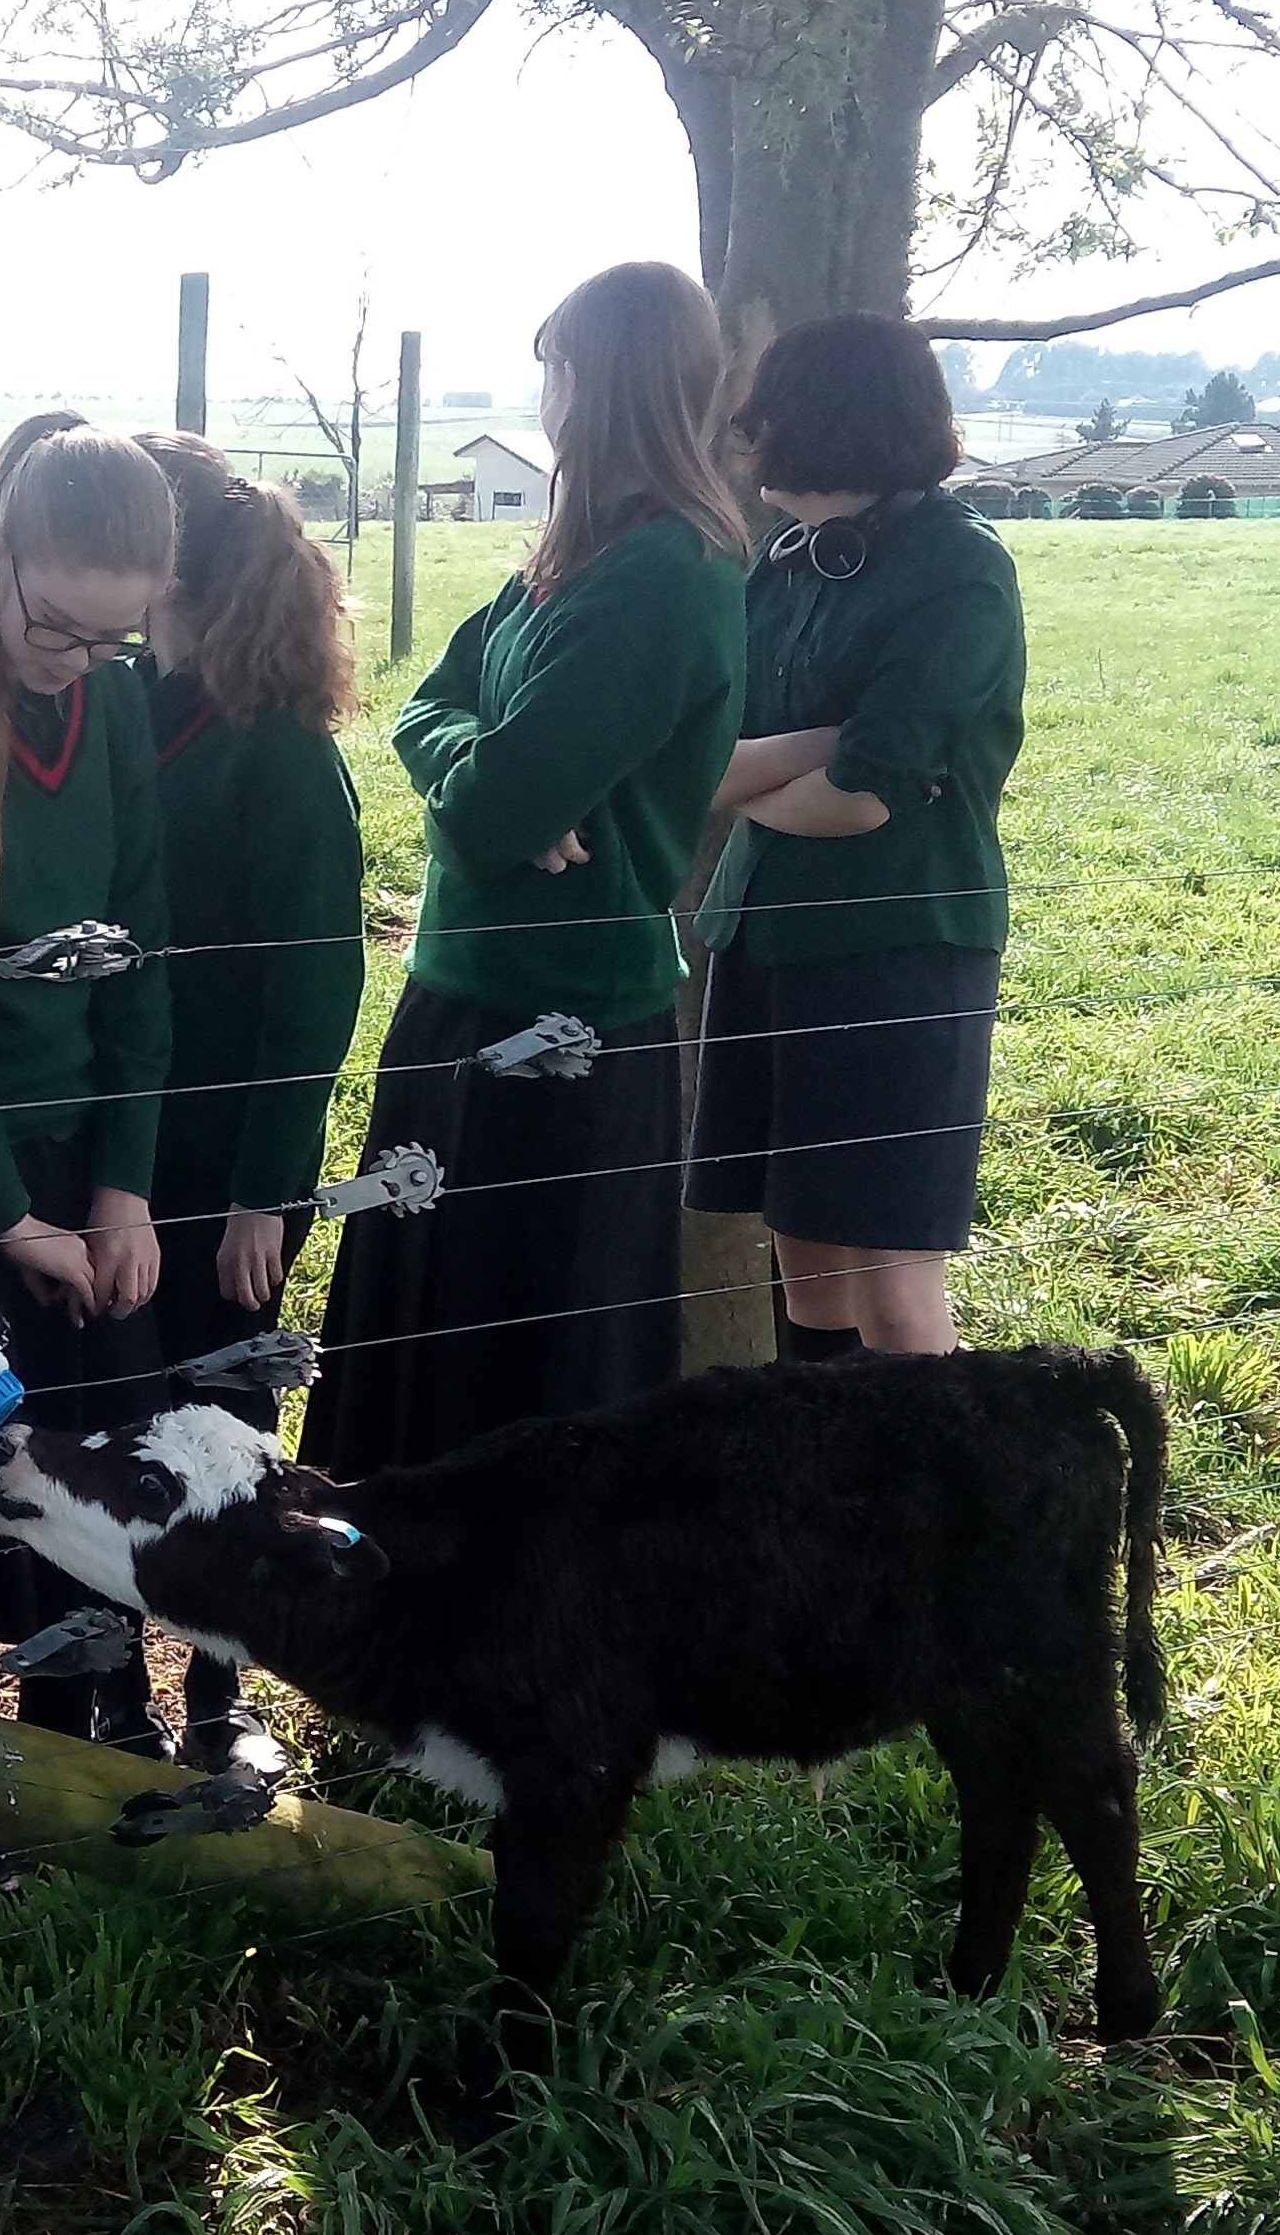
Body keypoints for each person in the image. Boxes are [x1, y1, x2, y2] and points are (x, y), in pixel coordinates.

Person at [303, 261, 751, 1479]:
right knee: (435, 1353)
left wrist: (491, 792)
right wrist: (482, 776)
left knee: (520, 1367)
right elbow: (427, 711)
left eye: (550, 367)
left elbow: (494, 810)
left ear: (594, 381)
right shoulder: (569, 554)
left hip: (564, 1025)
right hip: (469, 988)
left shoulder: (663, 576)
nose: (541, 393)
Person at [0, 414, 179, 1900]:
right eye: (56, 624)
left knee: (98, 1480)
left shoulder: (110, 706)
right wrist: (8, 1215)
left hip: (89, 1176)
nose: (76, 657)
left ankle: (79, 1767)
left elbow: (145, 947)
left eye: (113, 638)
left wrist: (126, 1186)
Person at [689, 311, 1026, 1355]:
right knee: (803, 1257)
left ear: (829, 418)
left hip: (896, 954)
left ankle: (923, 1512)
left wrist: (739, 776)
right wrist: (820, 745)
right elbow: (703, 756)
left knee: (887, 1266)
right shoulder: (783, 562)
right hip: (766, 937)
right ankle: (825, 1500)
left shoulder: (955, 568)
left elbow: (860, 801)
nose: (745, 432)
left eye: (766, 408)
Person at [126, 427, 363, 1776]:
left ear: (165, 569)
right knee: (117, 1425)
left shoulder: (276, 758)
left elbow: (315, 997)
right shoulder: (122, 712)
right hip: (123, 1155)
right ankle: (115, 1689)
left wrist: (263, 1192)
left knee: (220, 1436)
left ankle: (220, 1702)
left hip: (223, 1174)